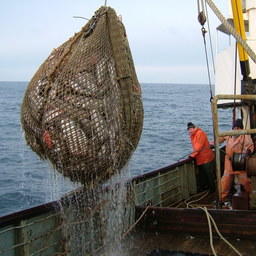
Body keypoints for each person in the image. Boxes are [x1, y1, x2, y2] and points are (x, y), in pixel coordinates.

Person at [219, 118, 254, 203]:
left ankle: (249, 198)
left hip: (240, 162)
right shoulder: (229, 134)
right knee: (225, 182)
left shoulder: (246, 136)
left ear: (241, 128)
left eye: (238, 128)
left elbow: (251, 147)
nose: (236, 129)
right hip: (229, 162)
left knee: (245, 182)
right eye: (235, 127)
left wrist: (248, 153)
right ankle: (222, 199)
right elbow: (220, 138)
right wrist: (215, 141)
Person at [187, 122, 216, 193]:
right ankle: (205, 188)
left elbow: (198, 147)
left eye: (190, 129)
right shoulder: (193, 135)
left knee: (209, 175)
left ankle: (213, 190)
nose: (189, 131)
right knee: (203, 175)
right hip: (200, 158)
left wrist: (192, 156)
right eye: (188, 129)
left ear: (194, 128)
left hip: (206, 158)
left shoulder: (199, 133)